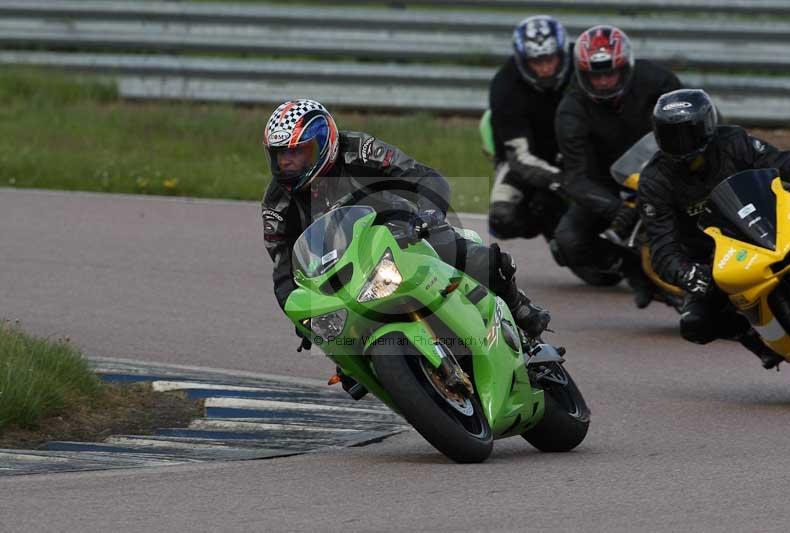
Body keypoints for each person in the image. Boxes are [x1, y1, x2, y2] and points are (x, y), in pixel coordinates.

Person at [261, 99, 552, 351]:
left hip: (403, 233)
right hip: (344, 271)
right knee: (340, 349)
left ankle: (518, 306)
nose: (288, 162)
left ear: (324, 143)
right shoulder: (277, 203)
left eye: (298, 152)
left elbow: (423, 176)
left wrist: (428, 214)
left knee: (468, 256)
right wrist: (301, 315)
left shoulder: (358, 149)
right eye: (281, 154)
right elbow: (283, 270)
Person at [638, 88, 790, 369]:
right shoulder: (654, 180)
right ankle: (754, 338)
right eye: (671, 135)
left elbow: (779, 162)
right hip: (713, 259)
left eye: (689, 132)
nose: (681, 143)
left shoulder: (734, 141)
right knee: (696, 324)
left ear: (707, 125)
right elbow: (661, 246)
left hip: (765, 225)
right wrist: (688, 274)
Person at [554, 25, 683, 308]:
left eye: (609, 73)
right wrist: (616, 209)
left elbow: (694, 116)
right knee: (568, 240)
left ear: (626, 67)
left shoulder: (657, 80)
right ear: (581, 73)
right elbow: (575, 178)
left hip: (667, 169)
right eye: (595, 75)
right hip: (609, 185)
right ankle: (632, 268)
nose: (602, 82)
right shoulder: (571, 110)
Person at [487, 15, 572, 241]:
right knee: (502, 219)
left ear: (562, 53)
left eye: (550, 59)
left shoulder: (582, 67)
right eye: (536, 61)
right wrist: (562, 181)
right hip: (526, 154)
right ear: (522, 60)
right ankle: (547, 223)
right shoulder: (505, 86)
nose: (545, 68)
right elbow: (519, 157)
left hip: (579, 147)